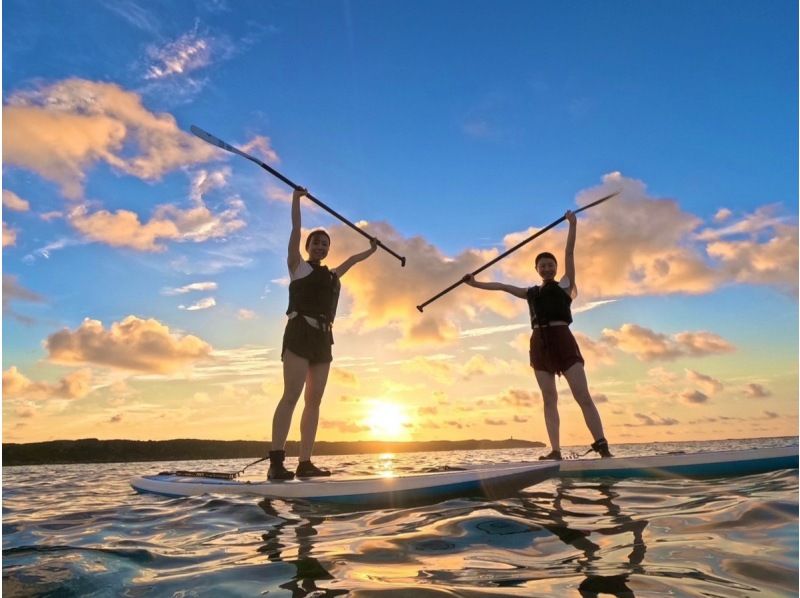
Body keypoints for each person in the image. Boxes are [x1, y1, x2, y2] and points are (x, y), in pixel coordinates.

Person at [463, 210, 612, 460]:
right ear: (536, 269)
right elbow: (501, 286)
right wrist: (474, 283)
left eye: (550, 265)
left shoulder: (566, 286)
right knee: (549, 399)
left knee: (582, 395)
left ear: (555, 268)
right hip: (539, 344)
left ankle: (602, 446)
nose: (546, 268)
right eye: (542, 266)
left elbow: (570, 253)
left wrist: (572, 225)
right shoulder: (530, 292)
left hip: (563, 340)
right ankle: (555, 451)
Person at [268, 187, 378, 480]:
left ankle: (305, 463)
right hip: (299, 332)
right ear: (308, 247)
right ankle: (277, 462)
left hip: (323, 340)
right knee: (291, 395)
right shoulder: (298, 267)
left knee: (314, 402)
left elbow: (353, 260)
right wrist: (295, 199)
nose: (320, 246)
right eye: (316, 243)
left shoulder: (332, 275)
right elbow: (295, 228)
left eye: (324, 244)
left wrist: (371, 249)